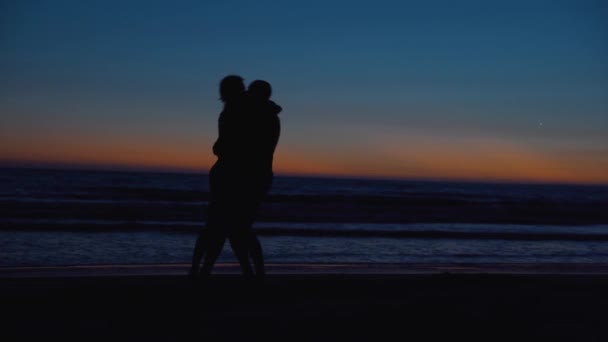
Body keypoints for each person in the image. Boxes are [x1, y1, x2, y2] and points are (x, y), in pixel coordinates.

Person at [189, 76, 281, 279]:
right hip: (250, 176)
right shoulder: (258, 112)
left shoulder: (242, 111)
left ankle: (202, 270)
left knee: (223, 226)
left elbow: (226, 145)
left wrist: (222, 148)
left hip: (237, 175)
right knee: (234, 227)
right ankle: (250, 272)